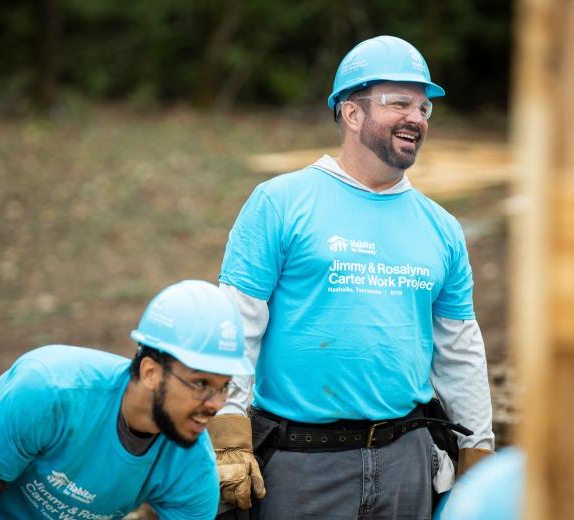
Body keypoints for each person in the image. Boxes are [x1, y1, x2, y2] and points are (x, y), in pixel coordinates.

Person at [208, 35, 495, 519]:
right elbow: (236, 320)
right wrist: (230, 421)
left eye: (424, 107)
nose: (416, 118)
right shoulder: (280, 202)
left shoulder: (442, 228)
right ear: (351, 113)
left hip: (408, 459)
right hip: (300, 461)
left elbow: (460, 348)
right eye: (398, 103)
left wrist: (478, 448)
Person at [0, 280, 253, 520]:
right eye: (200, 384)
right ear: (151, 372)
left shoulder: (193, 469)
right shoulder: (49, 392)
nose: (215, 404)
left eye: (223, 387)